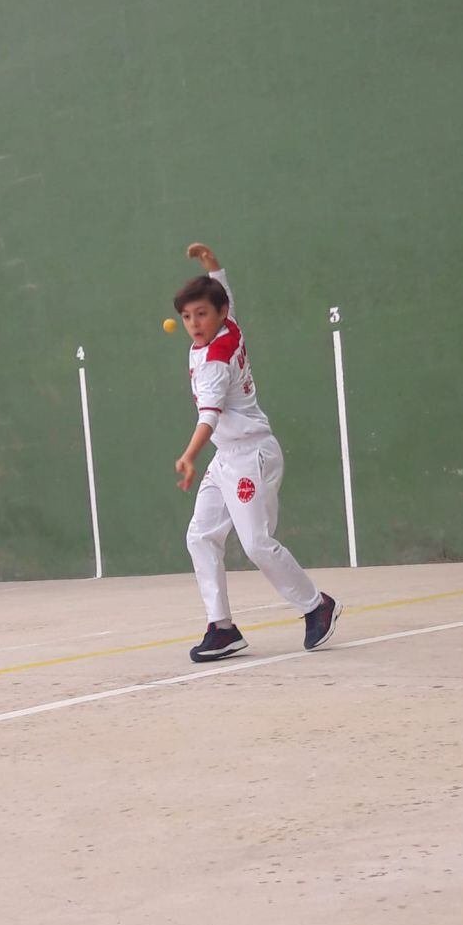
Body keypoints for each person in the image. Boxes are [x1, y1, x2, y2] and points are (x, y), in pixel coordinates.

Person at [174, 243, 341, 662]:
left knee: (256, 544)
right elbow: (221, 289)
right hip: (227, 458)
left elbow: (208, 418)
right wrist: (211, 265)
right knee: (200, 535)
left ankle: (316, 605)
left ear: (219, 313)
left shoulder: (215, 359)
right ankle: (222, 628)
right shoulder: (229, 326)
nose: (194, 323)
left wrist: (189, 455)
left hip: (251, 458)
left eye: (202, 314)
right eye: (188, 316)